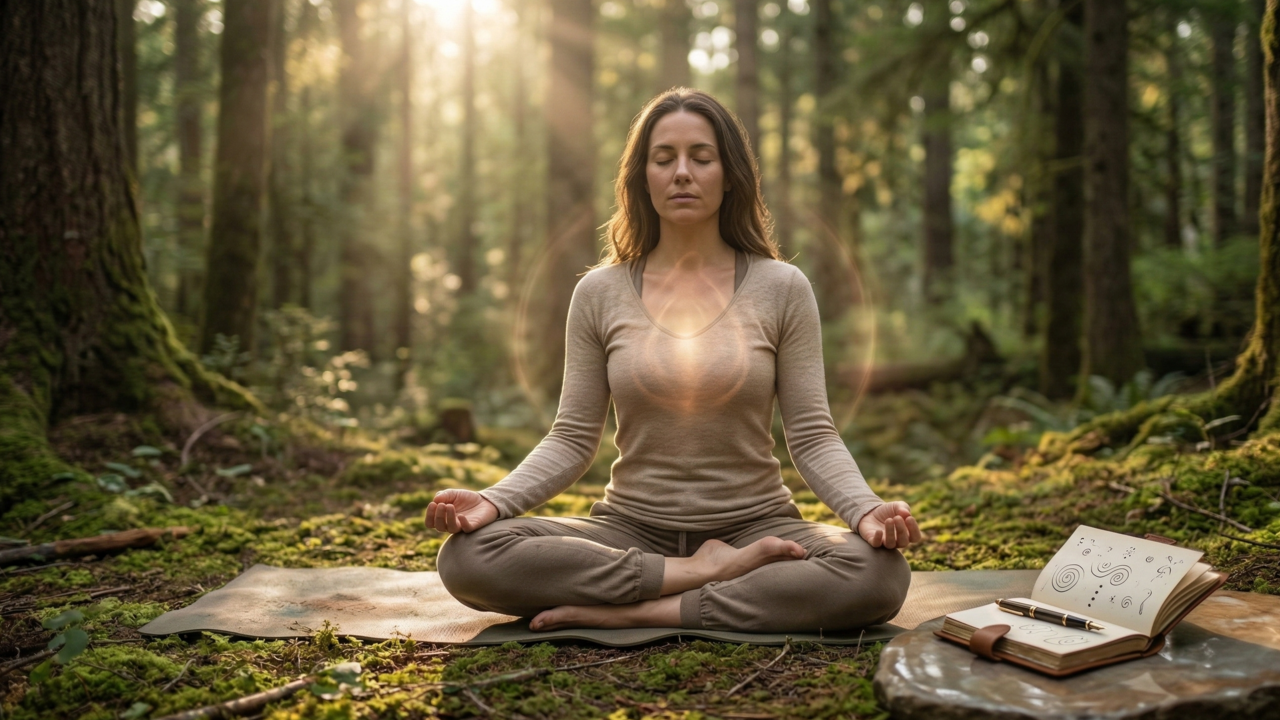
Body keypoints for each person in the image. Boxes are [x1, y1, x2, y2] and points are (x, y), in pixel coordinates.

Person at [429, 88, 920, 634]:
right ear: (642, 177)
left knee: (877, 573)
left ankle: (653, 606)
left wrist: (864, 509)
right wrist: (491, 503)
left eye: (701, 158)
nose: (682, 172)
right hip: (629, 529)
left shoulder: (782, 287)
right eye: (664, 159)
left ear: (729, 173)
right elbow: (571, 437)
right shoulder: (599, 292)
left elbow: (812, 434)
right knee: (468, 557)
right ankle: (694, 575)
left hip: (756, 529)